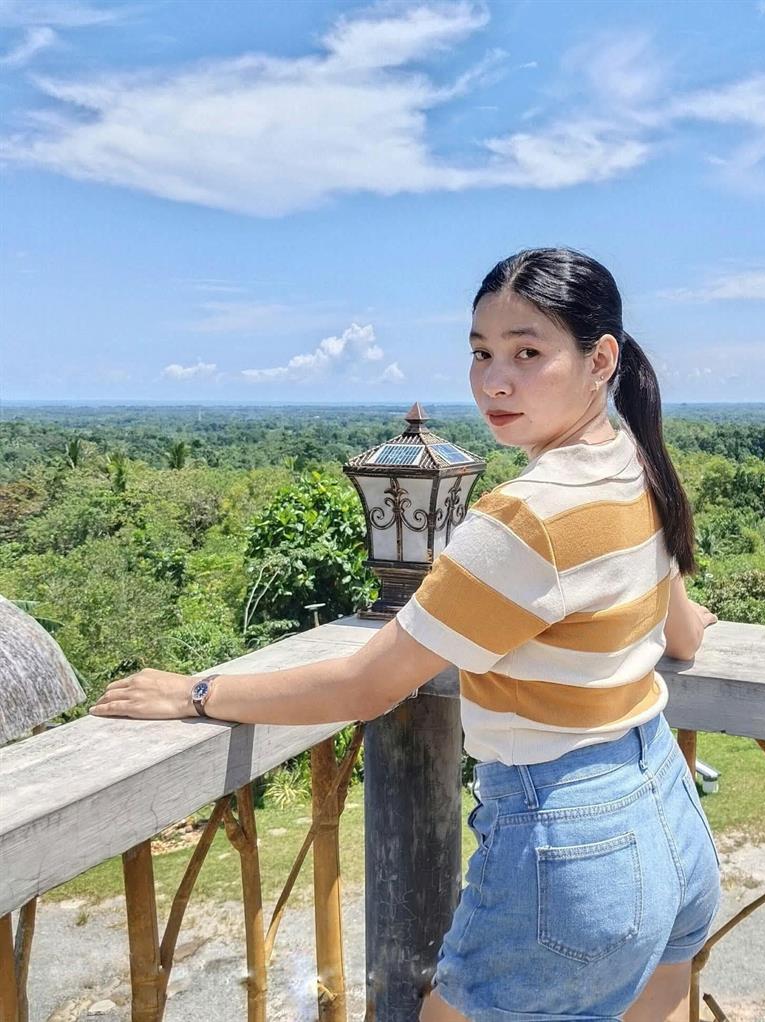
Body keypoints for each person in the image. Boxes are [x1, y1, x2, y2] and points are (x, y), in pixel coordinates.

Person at [91, 247, 721, 1022]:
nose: (495, 381)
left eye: (527, 353)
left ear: (600, 360)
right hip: (665, 810)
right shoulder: (634, 460)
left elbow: (365, 685)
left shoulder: (525, 517)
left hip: (571, 845)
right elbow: (680, 634)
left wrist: (196, 693)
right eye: (482, 353)